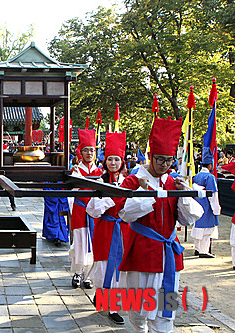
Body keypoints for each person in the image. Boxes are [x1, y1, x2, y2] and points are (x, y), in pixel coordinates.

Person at [115, 117, 203, 332]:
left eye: (169, 160)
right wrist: (145, 192)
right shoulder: (133, 181)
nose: (165, 165)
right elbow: (125, 214)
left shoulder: (173, 182)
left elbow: (188, 219)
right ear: (150, 156)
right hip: (142, 251)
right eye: (160, 159)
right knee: (139, 308)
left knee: (166, 311)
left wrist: (183, 194)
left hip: (169, 255)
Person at [86, 132, 128, 325]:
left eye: (116, 159)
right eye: (110, 159)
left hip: (123, 230)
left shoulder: (129, 182)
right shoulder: (100, 182)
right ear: (105, 161)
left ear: (122, 161)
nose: (113, 163)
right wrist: (110, 198)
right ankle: (101, 295)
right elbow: (92, 210)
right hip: (105, 228)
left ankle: (113, 305)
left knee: (120, 267)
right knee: (103, 265)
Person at [69, 129, 102, 289]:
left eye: (92, 150)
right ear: (80, 152)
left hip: (94, 213)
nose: (89, 153)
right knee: (80, 243)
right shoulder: (75, 170)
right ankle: (77, 273)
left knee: (93, 243)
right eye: (86, 150)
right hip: (80, 210)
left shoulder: (99, 171)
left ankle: (88, 276)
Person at [191, 147, 221, 258]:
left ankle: (197, 248)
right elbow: (213, 195)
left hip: (197, 205)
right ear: (210, 165)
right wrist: (216, 209)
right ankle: (203, 250)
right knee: (207, 230)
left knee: (198, 226)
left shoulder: (196, 176)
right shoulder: (210, 177)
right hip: (207, 207)